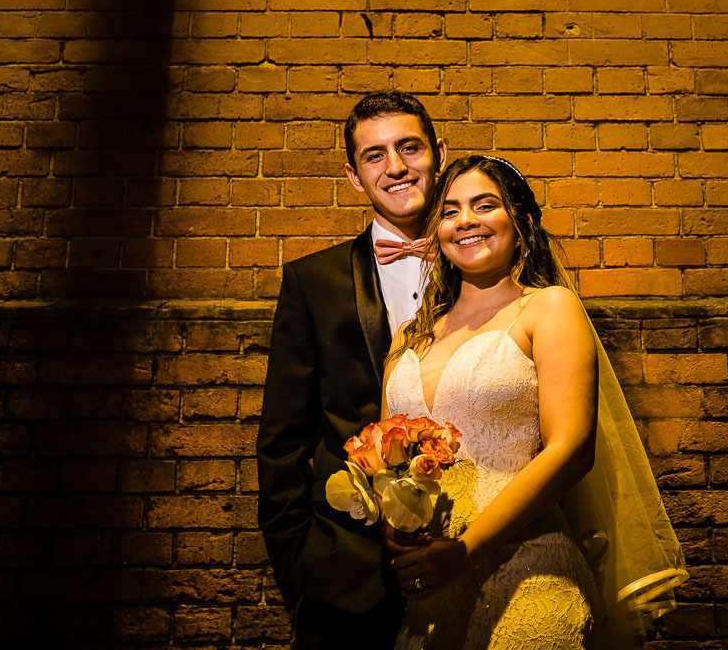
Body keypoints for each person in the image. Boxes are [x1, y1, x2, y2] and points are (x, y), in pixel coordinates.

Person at [381, 155, 687, 650]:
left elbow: (571, 450)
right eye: (451, 210)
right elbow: (387, 462)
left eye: (485, 205)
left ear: (521, 224)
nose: (466, 222)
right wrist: (393, 531)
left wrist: (464, 550)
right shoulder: (408, 337)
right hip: (432, 588)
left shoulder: (546, 308)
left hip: (528, 569)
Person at [256, 91, 447, 650]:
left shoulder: (488, 267)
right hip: (346, 570)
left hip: (473, 543)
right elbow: (282, 436)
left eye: (409, 148)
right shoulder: (313, 282)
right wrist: (299, 566)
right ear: (354, 176)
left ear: (438, 153)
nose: (395, 167)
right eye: (374, 155)